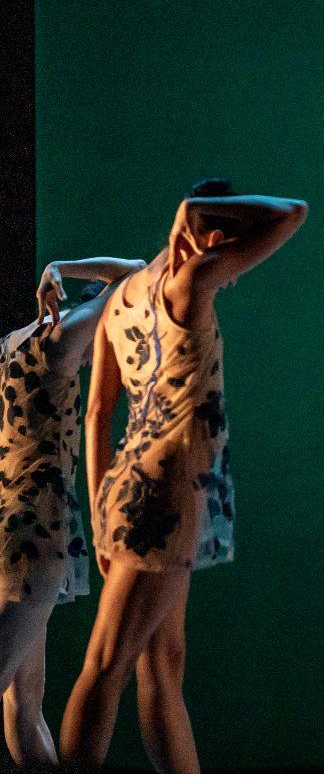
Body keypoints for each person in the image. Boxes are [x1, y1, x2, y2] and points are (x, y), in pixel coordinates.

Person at [61, 181, 307, 773]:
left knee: (162, 662)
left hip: (126, 482)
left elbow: (98, 413)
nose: (233, 268)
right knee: (106, 663)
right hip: (171, 489)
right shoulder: (191, 280)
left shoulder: (121, 297)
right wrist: (193, 214)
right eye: (228, 250)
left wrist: (99, 512)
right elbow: (293, 213)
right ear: (214, 239)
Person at [0, 258, 142, 766]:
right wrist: (61, 266)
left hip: (5, 523)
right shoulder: (61, 342)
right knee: (15, 692)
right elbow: (138, 271)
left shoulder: (12, 343)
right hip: (37, 530)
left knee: (23, 700)